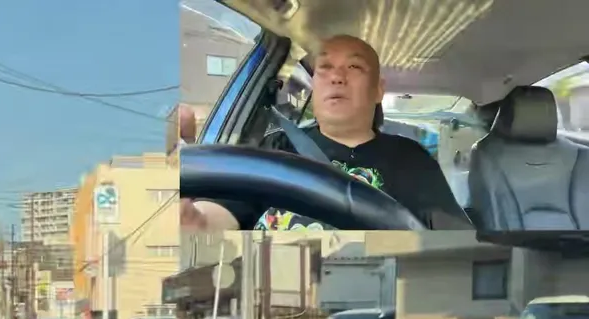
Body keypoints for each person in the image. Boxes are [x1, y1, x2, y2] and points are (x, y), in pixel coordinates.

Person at [180, 34, 472, 233]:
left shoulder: (411, 160)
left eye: (354, 66)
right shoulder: (275, 149)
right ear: (315, 85)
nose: (337, 76)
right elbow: (215, 219)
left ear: (378, 90)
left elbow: (454, 244)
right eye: (325, 68)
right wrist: (188, 218)